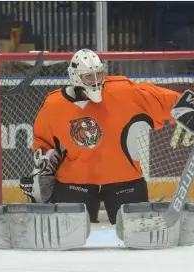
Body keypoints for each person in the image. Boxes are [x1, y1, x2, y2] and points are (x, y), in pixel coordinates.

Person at [21, 48, 181, 225]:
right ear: (75, 76)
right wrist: (43, 166)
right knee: (68, 233)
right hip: (76, 181)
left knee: (136, 232)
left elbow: (164, 99)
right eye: (89, 76)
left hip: (123, 178)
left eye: (99, 74)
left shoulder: (123, 91)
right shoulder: (53, 104)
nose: (96, 81)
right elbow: (44, 144)